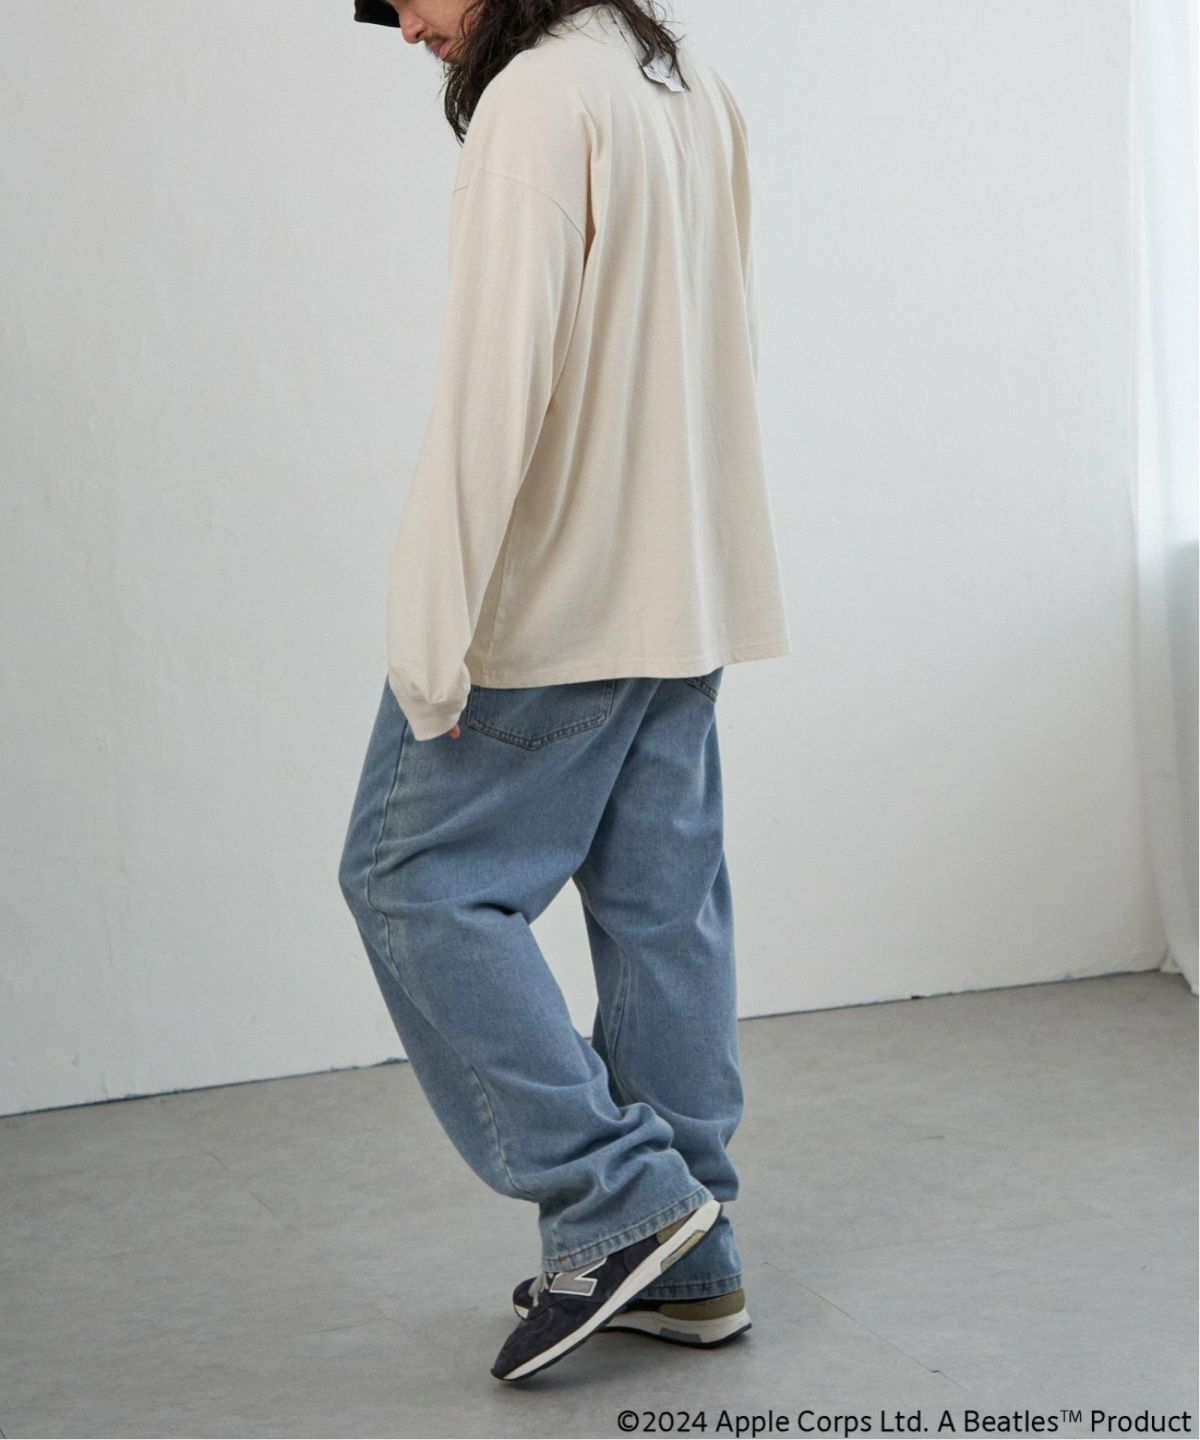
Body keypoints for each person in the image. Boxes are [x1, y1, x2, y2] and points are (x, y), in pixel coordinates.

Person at [339, 0, 791, 1383]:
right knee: (661, 910)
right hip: (680, 585)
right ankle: (691, 1256)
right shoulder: (681, 80)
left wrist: (433, 634)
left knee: (406, 879)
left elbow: (496, 385)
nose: (397, 25)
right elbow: (723, 336)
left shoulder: (536, 99)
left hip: (557, 605)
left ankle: (619, 1198)